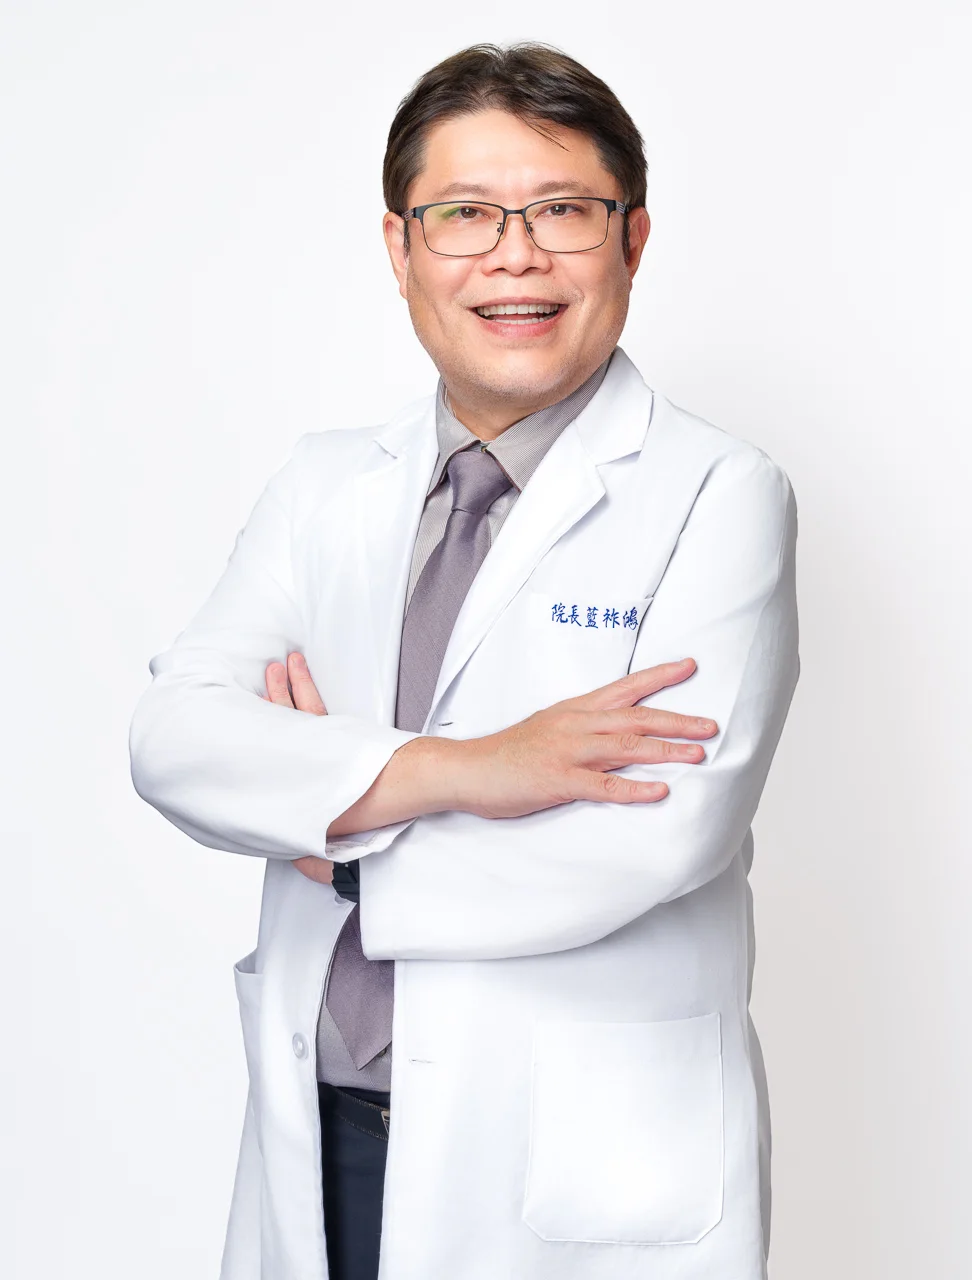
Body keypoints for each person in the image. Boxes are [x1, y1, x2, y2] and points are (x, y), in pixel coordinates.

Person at [129, 40, 799, 1280]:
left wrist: (331, 828)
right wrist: (471, 768)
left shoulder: (718, 492)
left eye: (563, 211)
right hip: (325, 1124)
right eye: (466, 214)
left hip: (568, 1154)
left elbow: (653, 837)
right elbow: (175, 741)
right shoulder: (325, 484)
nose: (515, 255)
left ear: (633, 239)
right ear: (401, 249)